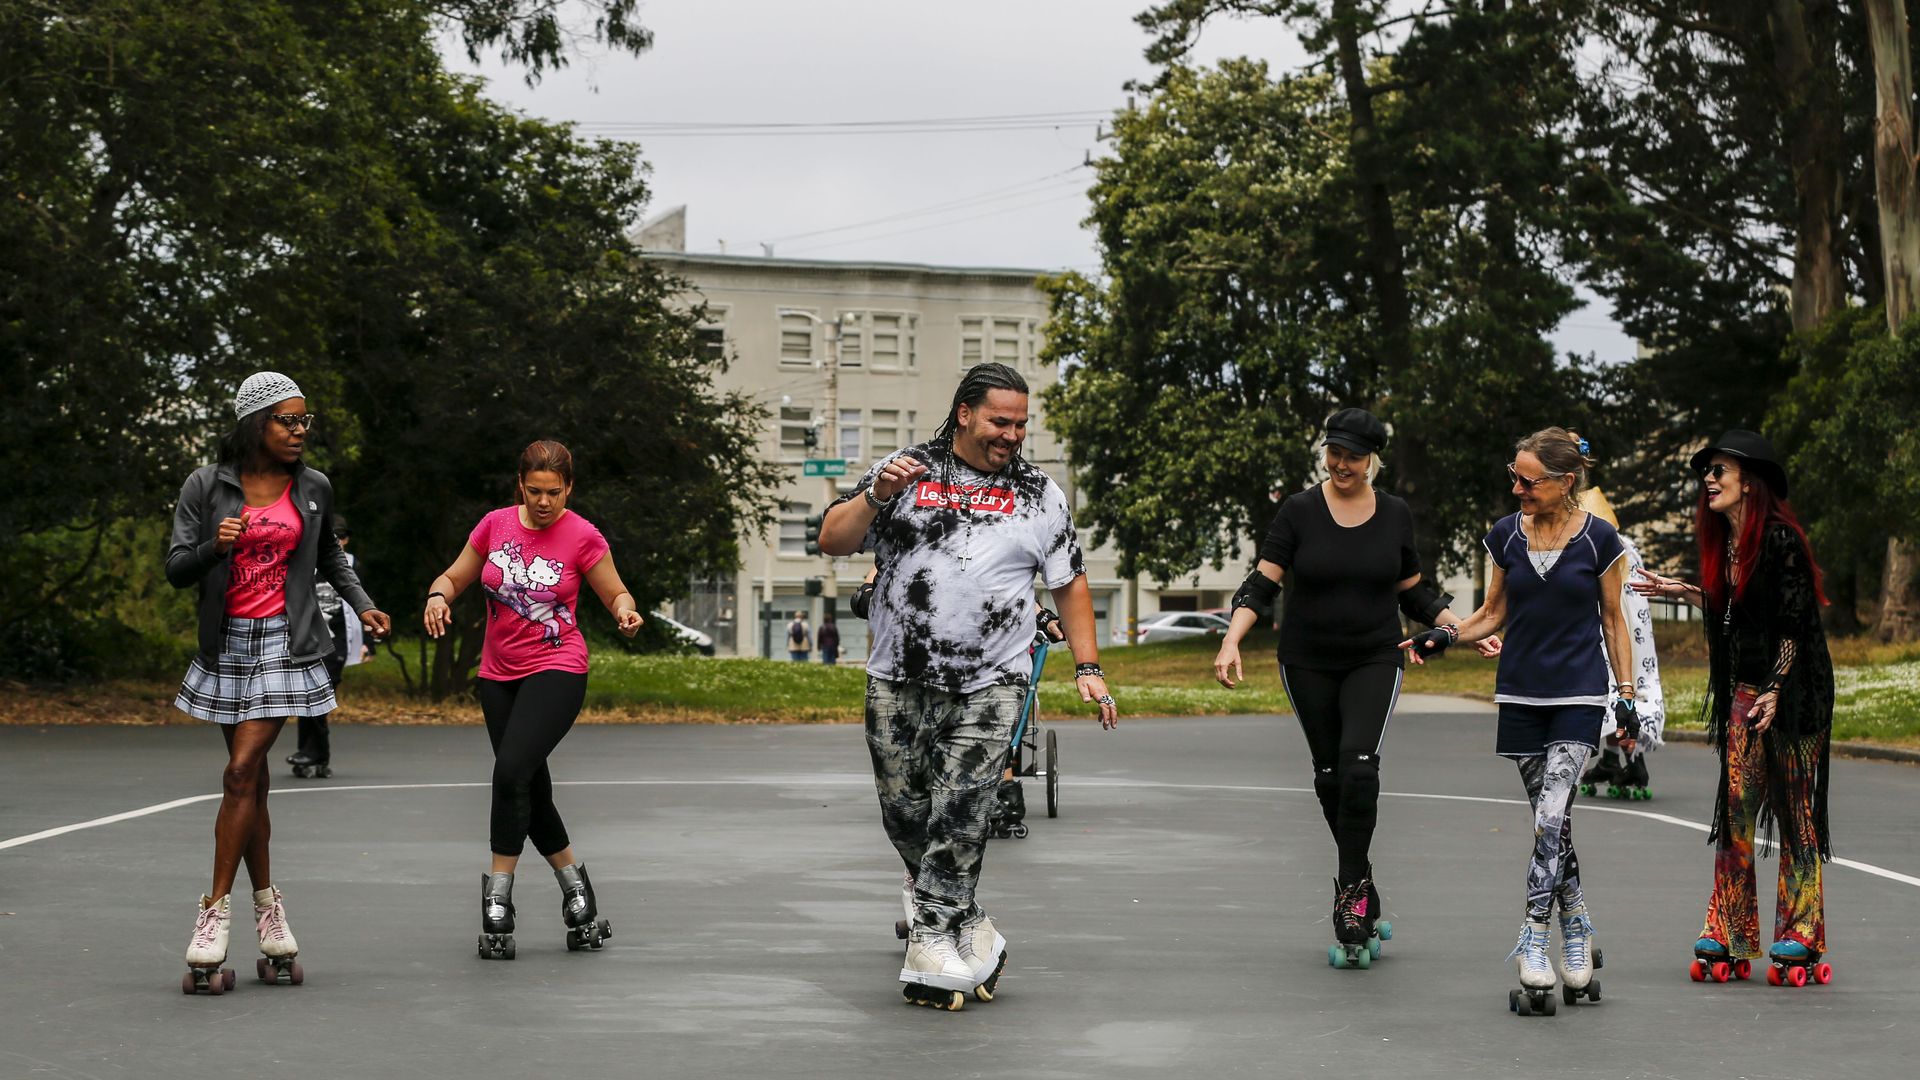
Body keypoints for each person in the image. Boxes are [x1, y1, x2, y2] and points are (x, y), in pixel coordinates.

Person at [819, 361, 1118, 1010]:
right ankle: (972, 926)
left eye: (1021, 424)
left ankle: (930, 946)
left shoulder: (1039, 493)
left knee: (961, 811)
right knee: (905, 815)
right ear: (964, 414)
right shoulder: (905, 471)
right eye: (999, 421)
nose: (1012, 434)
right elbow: (832, 539)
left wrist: (1088, 668)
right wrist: (875, 496)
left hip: (993, 679)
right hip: (897, 676)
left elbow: (1069, 583)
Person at [1213, 407, 1497, 969]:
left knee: (1359, 768)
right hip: (1307, 661)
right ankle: (1362, 879)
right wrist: (1231, 640)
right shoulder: (1298, 511)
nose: (1341, 464)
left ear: (1372, 461)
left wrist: (1462, 629)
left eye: (1353, 456)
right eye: (1334, 453)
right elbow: (1261, 584)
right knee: (1330, 776)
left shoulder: (1394, 514)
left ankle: (1349, 894)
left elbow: (1414, 592)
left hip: (1375, 656)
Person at [166, 371, 391, 993]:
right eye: (286, 420)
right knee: (255, 785)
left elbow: (330, 558)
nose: (298, 431)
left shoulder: (313, 487)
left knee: (240, 772)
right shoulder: (205, 486)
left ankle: (212, 915)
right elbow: (177, 569)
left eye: (303, 420)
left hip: (287, 643)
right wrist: (215, 547)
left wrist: (363, 603)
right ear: (254, 423)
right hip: (227, 645)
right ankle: (270, 912)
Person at [1400, 427, 1634, 1011]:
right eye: (1515, 477)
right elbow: (1491, 613)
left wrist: (1627, 694)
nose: (1517, 489)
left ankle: (1534, 938)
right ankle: (1576, 921)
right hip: (1521, 696)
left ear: (1565, 481)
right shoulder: (1505, 535)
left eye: (1528, 481)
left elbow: (1613, 620)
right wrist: (1442, 637)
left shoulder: (1601, 539)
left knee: (1551, 815)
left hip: (1579, 695)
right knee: (1551, 824)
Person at [1629, 430, 1835, 987]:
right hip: (1749, 690)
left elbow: (1792, 627)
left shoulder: (1781, 541)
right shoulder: (1728, 546)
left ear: (1750, 482)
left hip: (1796, 696)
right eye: (1707, 471)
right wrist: (1685, 592)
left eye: (1719, 469)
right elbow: (1737, 613)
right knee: (1737, 811)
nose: (1709, 479)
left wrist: (1775, 688)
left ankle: (1802, 932)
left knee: (1795, 813)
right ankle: (1729, 928)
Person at [423, 440, 643, 959]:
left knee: (510, 771)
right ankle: (577, 893)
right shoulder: (494, 525)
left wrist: (624, 611)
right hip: (497, 674)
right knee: (527, 782)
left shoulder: (582, 534)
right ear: (520, 485)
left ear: (569, 489)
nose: (545, 502)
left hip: (558, 666)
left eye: (555, 492)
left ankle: (498, 897)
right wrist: (437, 596)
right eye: (536, 491)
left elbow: (616, 591)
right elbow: (454, 576)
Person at [1571, 468, 1667, 800]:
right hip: (1633, 633)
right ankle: (1615, 758)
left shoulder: (1601, 548)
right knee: (1626, 689)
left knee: (1611, 690)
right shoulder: (1626, 546)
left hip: (1608, 628)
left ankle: (1629, 759)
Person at [288, 516, 369, 779]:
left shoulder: (353, 564)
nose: (337, 541)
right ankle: (313, 755)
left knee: (319, 695)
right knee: (307, 696)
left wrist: (368, 644)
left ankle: (313, 754)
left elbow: (365, 601)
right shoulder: (306, 562)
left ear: (346, 539)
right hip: (310, 638)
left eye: (340, 537)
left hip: (339, 641)